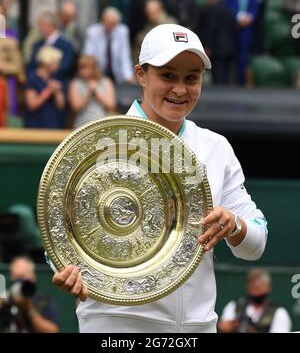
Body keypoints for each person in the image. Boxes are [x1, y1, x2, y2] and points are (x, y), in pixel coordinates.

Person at [51, 23, 268, 333]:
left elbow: (255, 244)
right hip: (115, 326)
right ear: (141, 74)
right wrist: (64, 268)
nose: (180, 89)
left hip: (198, 327)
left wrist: (233, 223)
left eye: (191, 78)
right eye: (167, 76)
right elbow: (58, 235)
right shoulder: (98, 142)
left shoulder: (215, 147)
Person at [218, 268, 292, 333]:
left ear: (268, 288)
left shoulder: (279, 312)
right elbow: (224, 326)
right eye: (252, 288)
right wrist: (226, 327)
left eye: (258, 288)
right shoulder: (235, 306)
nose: (254, 292)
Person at [0, 256, 59, 333]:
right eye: (16, 277)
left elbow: (52, 330)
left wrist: (29, 309)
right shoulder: (6, 299)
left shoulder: (43, 302)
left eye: (22, 276)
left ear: (32, 276)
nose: (19, 282)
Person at [69, 55, 116, 129]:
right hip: (82, 126)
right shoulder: (75, 83)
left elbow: (111, 105)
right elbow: (76, 107)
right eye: (80, 67)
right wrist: (89, 93)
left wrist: (96, 91)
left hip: (102, 125)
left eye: (84, 67)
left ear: (93, 68)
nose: (81, 70)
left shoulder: (106, 82)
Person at [24, 45, 66, 129]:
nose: (58, 65)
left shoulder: (54, 78)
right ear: (47, 62)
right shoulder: (33, 79)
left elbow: (61, 106)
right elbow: (32, 105)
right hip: (36, 127)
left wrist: (57, 93)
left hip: (53, 125)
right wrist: (48, 91)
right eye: (56, 62)